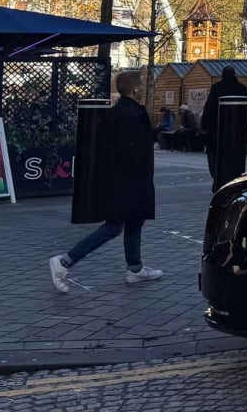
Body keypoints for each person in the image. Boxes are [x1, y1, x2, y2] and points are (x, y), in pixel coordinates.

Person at [48, 71, 162, 292]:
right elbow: (133, 150)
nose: (144, 88)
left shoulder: (117, 113)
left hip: (121, 180)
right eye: (142, 84)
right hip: (130, 181)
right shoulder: (132, 115)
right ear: (135, 89)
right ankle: (64, 262)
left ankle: (135, 268)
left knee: (133, 221)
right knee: (114, 226)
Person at [202, 66, 247, 193]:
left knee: (213, 155)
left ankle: (218, 179)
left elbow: (209, 108)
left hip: (217, 131)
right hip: (237, 133)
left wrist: (204, 126)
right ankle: (235, 180)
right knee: (234, 157)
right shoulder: (242, 89)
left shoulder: (217, 88)